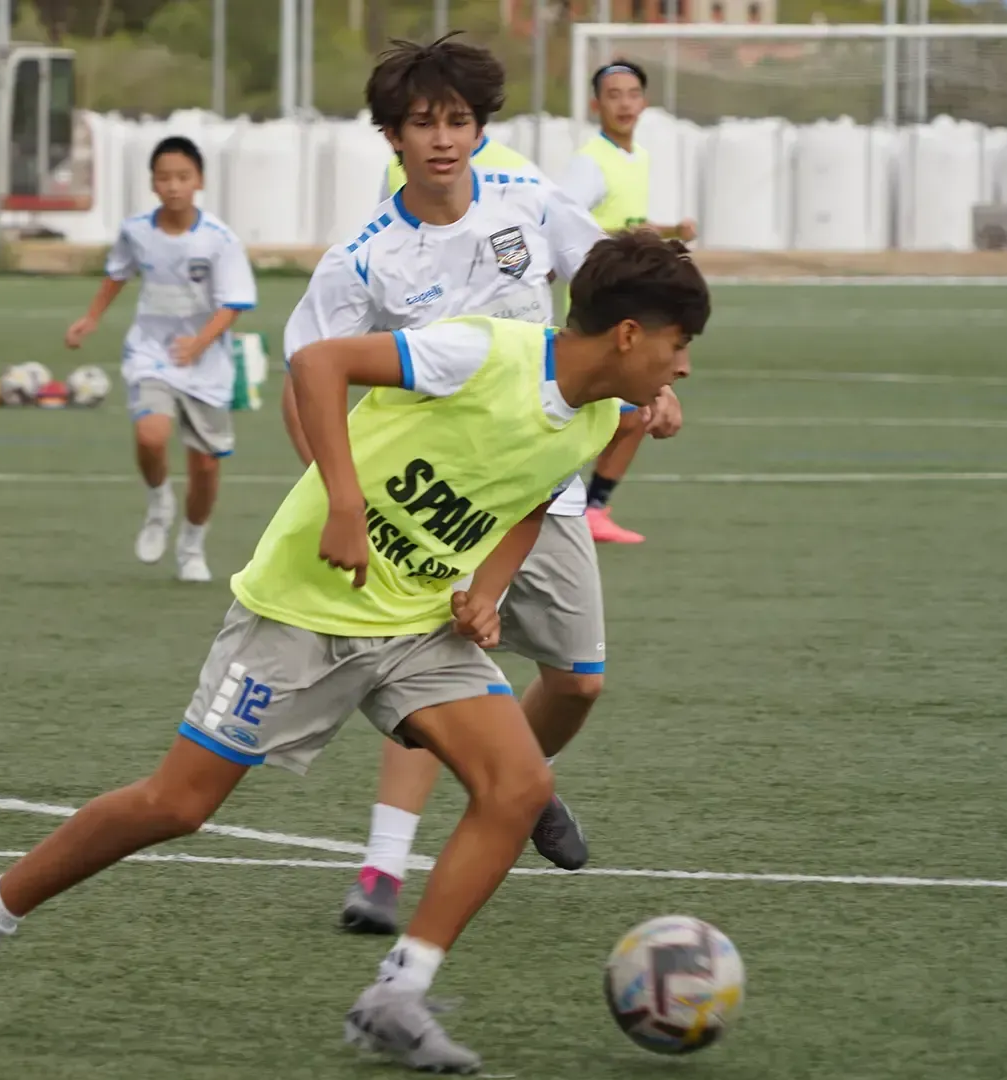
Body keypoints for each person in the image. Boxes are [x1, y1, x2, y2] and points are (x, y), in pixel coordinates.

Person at [0, 230, 708, 1072]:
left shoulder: (597, 416)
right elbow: (319, 363)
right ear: (628, 335)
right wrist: (345, 504)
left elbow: (531, 499)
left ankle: (397, 995)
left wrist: (489, 589)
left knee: (520, 786)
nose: (684, 367)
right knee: (178, 804)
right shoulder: (482, 352)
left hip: (416, 625)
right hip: (304, 611)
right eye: (679, 344)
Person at [282, 34, 685, 936]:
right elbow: (304, 377)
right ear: (392, 135)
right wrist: (339, 498)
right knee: (436, 679)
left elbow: (615, 288)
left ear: (479, 128)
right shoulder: (364, 257)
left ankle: (519, 781)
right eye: (422, 123)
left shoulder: (527, 204)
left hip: (539, 489)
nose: (442, 138)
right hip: (431, 508)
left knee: (578, 683)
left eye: (457, 121)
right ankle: (383, 870)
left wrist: (654, 381)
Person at [66, 136, 257, 582]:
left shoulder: (219, 240)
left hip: (206, 363)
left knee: (205, 466)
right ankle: (159, 504)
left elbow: (234, 303)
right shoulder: (136, 231)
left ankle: (192, 545)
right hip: (151, 353)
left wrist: (199, 344)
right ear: (152, 183)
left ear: (199, 181)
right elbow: (117, 273)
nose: (173, 186)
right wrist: (91, 318)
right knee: (150, 435)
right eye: (164, 177)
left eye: (183, 177)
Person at [561, 59, 698, 544]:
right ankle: (579, 506)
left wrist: (667, 231)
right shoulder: (590, 161)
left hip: (630, 307)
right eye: (613, 95)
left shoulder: (635, 157)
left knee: (632, 412)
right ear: (595, 104)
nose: (624, 103)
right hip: (603, 309)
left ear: (644, 101)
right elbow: (565, 220)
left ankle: (590, 508)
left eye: (632, 93)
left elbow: (628, 224)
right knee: (625, 411)